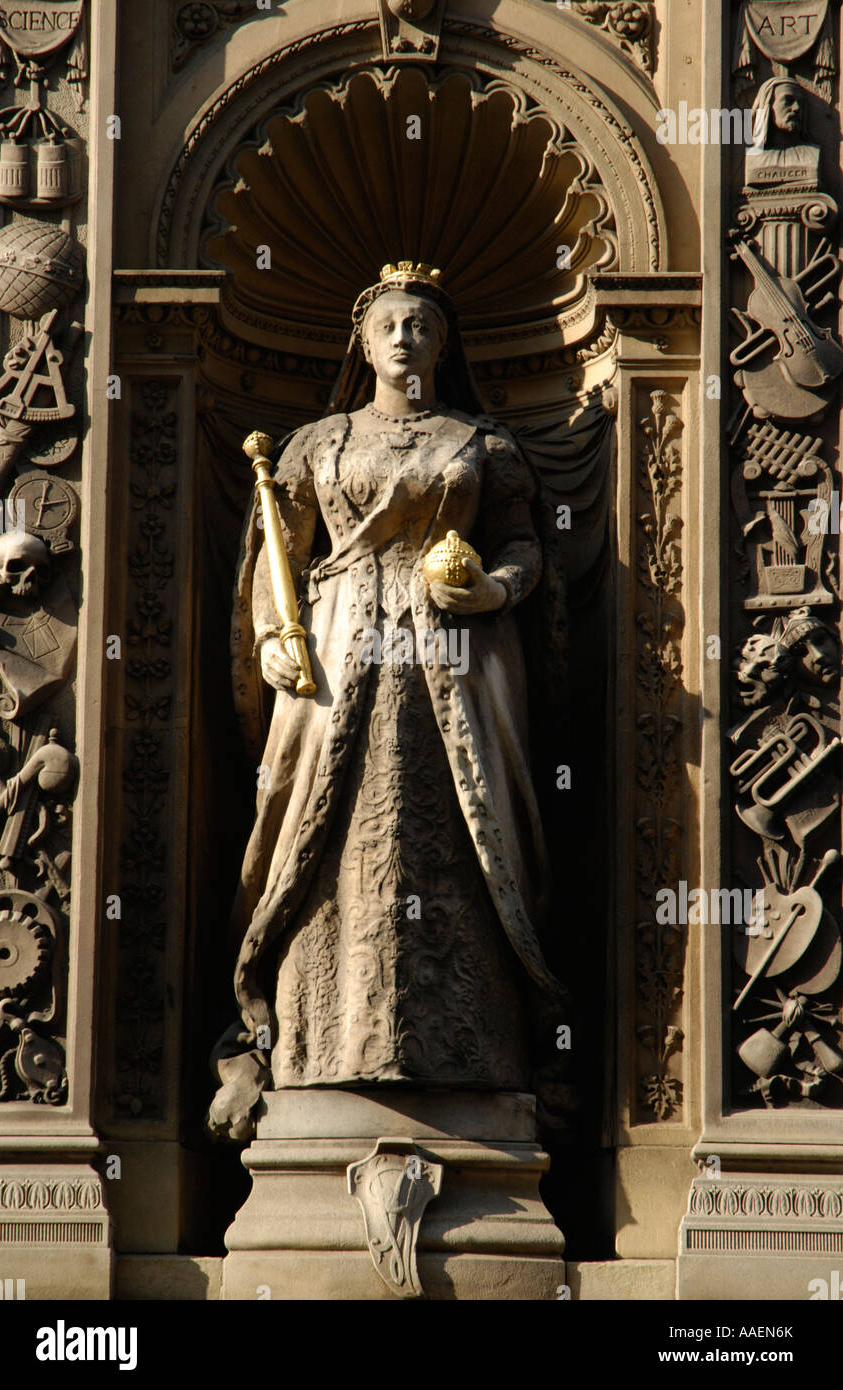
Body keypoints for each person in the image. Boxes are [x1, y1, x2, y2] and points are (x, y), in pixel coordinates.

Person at [210, 263, 563, 1140]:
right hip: (334, 654)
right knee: (311, 833)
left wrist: (496, 591)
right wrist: (272, 640)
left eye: (421, 325)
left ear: (443, 344)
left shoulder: (484, 443)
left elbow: (524, 546)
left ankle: (472, 1050)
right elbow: (275, 566)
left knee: (467, 830)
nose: (405, 336)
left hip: (459, 659)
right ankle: (309, 1047)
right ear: (363, 343)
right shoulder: (313, 443)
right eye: (390, 325)